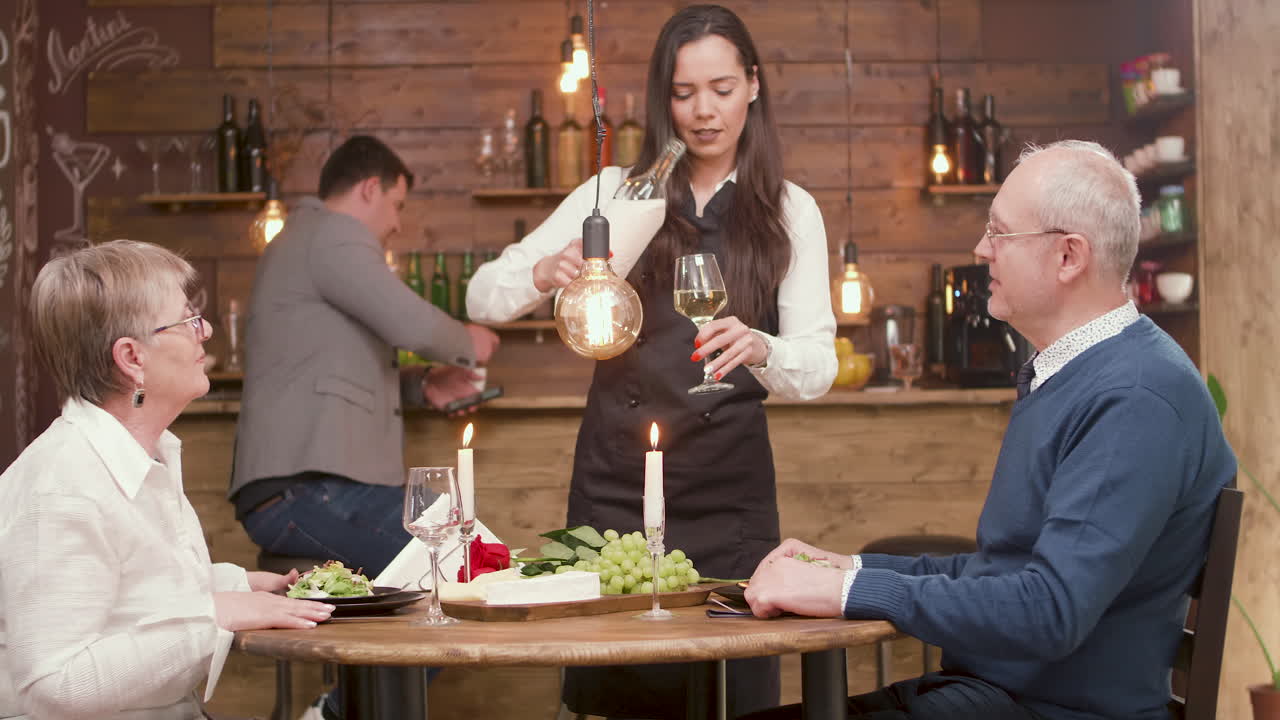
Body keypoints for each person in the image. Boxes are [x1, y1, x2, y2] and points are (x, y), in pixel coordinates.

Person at [742, 140, 1237, 720]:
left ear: (1068, 257)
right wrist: (847, 570)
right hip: (996, 696)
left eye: (999, 234)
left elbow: (1049, 610)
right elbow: (1001, 572)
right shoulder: (1077, 374)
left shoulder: (1135, 398)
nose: (981, 250)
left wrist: (845, 594)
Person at [467, 5, 835, 717]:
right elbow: (485, 296)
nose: (704, 111)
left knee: (731, 696)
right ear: (662, 98)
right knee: (618, 693)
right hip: (614, 491)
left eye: (722, 89)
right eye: (684, 92)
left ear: (754, 86)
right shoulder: (615, 194)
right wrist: (546, 271)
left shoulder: (790, 211)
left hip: (729, 496)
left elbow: (818, 363)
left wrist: (763, 347)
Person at [0, 240, 333, 719]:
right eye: (187, 320)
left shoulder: (140, 454)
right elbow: (55, 684)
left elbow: (127, 599)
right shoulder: (63, 489)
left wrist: (239, 585)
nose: (207, 331)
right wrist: (215, 615)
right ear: (132, 357)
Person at [230, 135, 500, 578]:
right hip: (312, 490)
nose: (397, 224)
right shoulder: (332, 234)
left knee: (474, 555)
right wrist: (469, 342)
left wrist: (424, 384)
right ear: (370, 188)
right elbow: (410, 324)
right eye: (397, 205)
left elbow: (336, 364)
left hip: (309, 491)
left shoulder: (306, 241)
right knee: (474, 566)